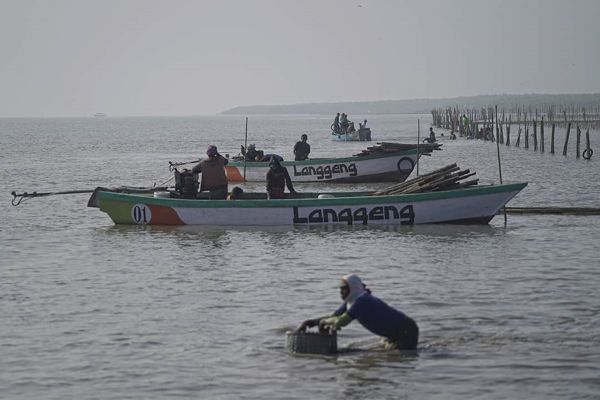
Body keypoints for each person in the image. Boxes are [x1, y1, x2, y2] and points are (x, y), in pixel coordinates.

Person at [298, 274, 419, 351]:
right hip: (395, 334)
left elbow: (342, 321)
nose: (341, 292)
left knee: (395, 357)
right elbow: (334, 316)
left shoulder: (363, 301)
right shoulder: (351, 301)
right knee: (381, 355)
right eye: (340, 289)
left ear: (353, 287)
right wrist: (312, 322)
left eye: (344, 288)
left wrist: (324, 323)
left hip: (406, 331)